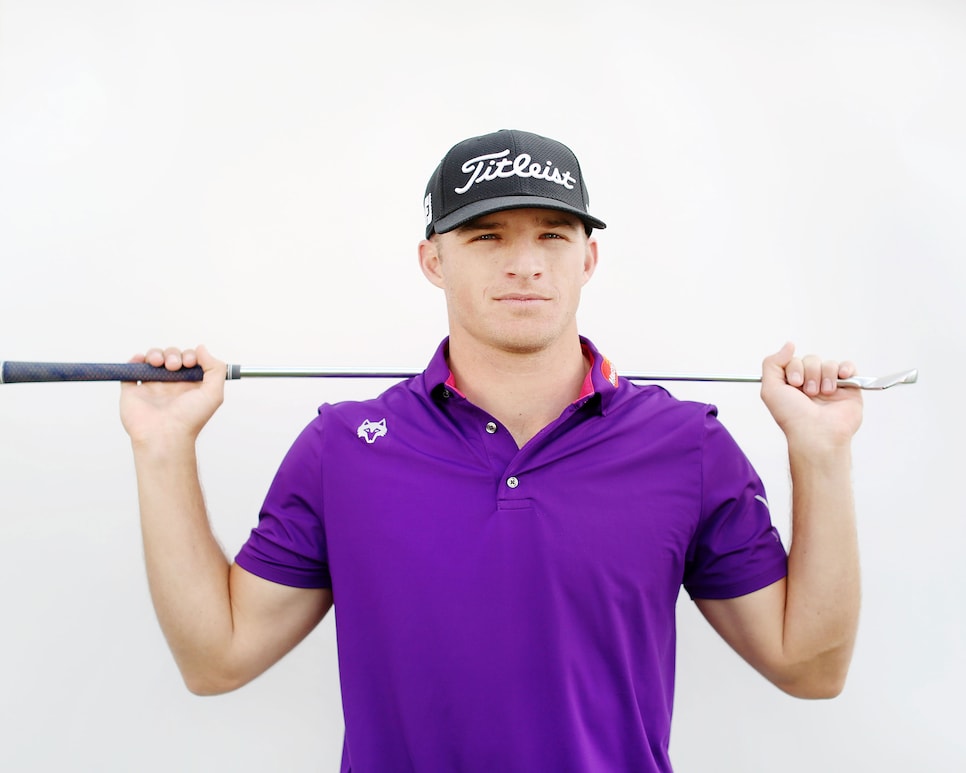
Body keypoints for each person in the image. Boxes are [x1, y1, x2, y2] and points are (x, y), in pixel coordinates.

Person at [120, 129, 863, 773]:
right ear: (433, 258)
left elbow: (812, 666)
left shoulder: (685, 446)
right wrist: (162, 446)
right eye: (487, 236)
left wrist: (821, 454)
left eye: (551, 233)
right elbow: (216, 658)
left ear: (588, 258)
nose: (525, 263)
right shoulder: (343, 450)